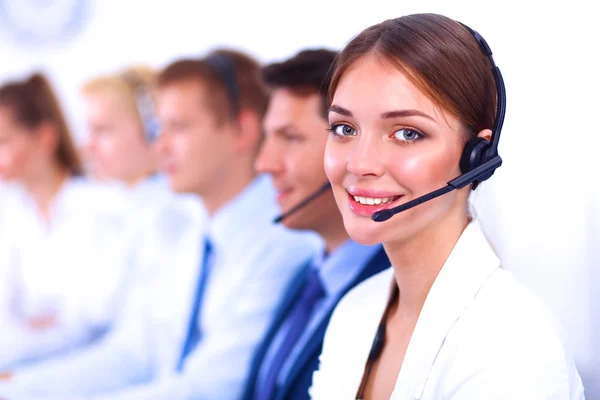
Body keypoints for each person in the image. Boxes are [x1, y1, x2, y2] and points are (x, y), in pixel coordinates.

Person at [0, 49, 321, 400]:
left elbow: (214, 389)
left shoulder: (284, 243)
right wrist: (18, 390)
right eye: (158, 128)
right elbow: (132, 354)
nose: (160, 144)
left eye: (178, 128)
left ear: (241, 131)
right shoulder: (184, 231)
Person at [309, 13, 585, 399]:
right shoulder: (355, 311)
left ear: (477, 155)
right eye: (345, 129)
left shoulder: (511, 346)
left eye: (407, 133)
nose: (359, 163)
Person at [242, 49, 391, 400]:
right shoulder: (303, 279)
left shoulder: (393, 294)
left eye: (290, 138)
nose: (264, 163)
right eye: (268, 138)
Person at [0, 73, 130, 369]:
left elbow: (88, 322)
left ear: (45, 138)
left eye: (4, 142)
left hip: (84, 368)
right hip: (21, 366)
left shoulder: (100, 206)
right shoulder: (11, 213)